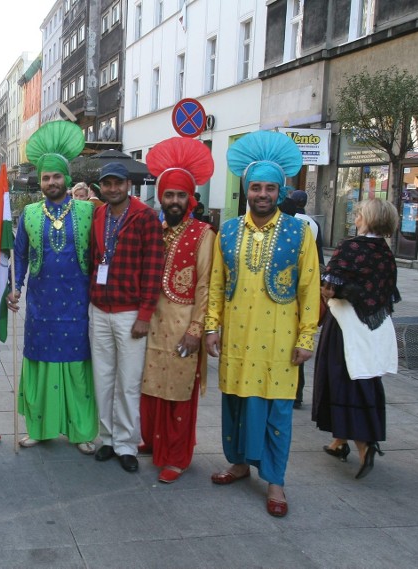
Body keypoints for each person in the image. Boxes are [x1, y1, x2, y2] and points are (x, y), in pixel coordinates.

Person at [205, 130, 319, 518]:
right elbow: (217, 283)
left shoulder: (298, 232)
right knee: (235, 404)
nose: (263, 195)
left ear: (280, 191)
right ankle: (238, 464)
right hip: (237, 338)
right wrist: (210, 326)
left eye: (270, 188)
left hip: (280, 342)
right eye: (256, 187)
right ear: (246, 189)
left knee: (277, 412)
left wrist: (307, 336)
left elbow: (309, 287)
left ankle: (275, 481)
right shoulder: (230, 230)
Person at [8, 120, 98, 454]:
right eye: (46, 177)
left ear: (68, 178)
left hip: (76, 305)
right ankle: (39, 428)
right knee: (40, 362)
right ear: (40, 181)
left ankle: (82, 431)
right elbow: (18, 255)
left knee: (77, 367)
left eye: (56, 176)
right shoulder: (29, 213)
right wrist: (15, 288)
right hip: (40, 305)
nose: (51, 182)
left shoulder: (89, 211)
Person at [139, 137, 215, 483]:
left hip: (184, 326)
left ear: (190, 198)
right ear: (160, 196)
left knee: (179, 393)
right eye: (168, 195)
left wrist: (197, 330)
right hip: (153, 324)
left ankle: (177, 456)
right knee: (153, 386)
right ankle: (155, 443)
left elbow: (206, 284)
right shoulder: (156, 229)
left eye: (180, 195)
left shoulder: (203, 234)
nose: (173, 201)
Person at [313, 198, 400, 479]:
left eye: (359, 213)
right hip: (373, 327)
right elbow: (386, 292)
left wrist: (326, 290)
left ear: (368, 218)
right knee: (366, 379)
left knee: (340, 379)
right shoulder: (386, 252)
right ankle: (340, 441)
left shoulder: (351, 246)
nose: (356, 217)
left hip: (345, 325)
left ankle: (363, 443)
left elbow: (331, 286)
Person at [90, 162, 164, 473]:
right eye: (106, 184)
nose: (112, 189)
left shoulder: (145, 217)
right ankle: (106, 438)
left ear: (128, 185)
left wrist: (145, 314)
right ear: (102, 188)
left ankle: (126, 443)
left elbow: (153, 268)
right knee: (103, 378)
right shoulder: (99, 215)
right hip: (99, 309)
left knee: (128, 382)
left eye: (117, 183)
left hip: (130, 311)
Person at [281, 188, 325, 409]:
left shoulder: (291, 226)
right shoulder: (312, 224)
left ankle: (293, 390)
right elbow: (319, 255)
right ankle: (297, 392)